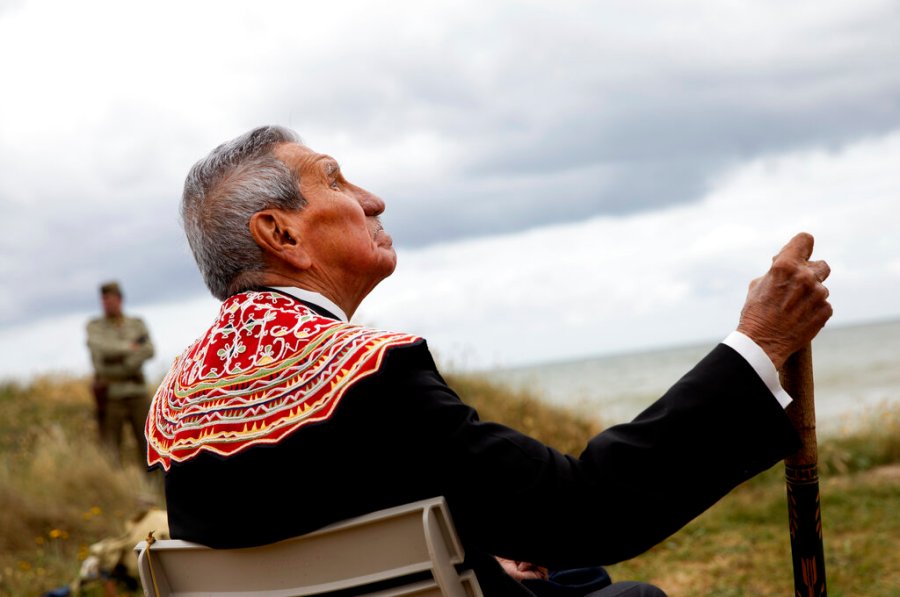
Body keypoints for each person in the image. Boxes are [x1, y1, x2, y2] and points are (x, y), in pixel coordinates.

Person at [145, 126, 832, 596]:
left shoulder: (183, 403)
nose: (372, 199)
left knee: (569, 576)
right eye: (336, 180)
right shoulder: (364, 372)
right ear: (281, 232)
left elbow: (308, 526)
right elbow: (592, 510)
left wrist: (472, 554)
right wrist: (757, 346)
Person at [86, 281, 155, 465]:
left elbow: (149, 349)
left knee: (149, 443)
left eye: (110, 299)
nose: (107, 303)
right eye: (104, 300)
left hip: (137, 390)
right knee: (110, 448)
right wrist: (130, 347)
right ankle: (114, 487)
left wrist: (126, 362)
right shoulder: (95, 327)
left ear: (119, 299)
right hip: (111, 394)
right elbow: (101, 348)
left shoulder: (136, 324)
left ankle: (154, 487)